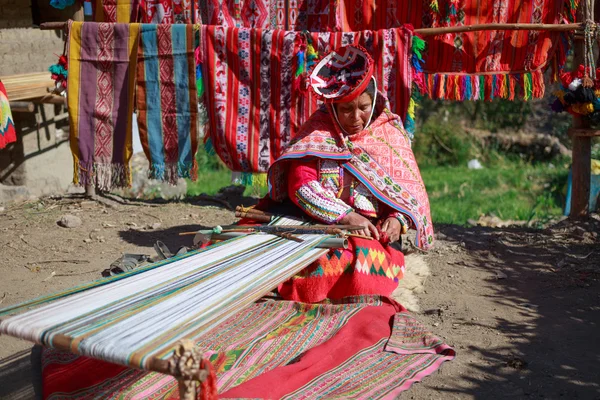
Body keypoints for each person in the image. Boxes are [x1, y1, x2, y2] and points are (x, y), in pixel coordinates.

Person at [266, 45, 434, 303]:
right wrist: (346, 216)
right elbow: (301, 186)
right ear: (332, 108)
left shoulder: (389, 134)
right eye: (346, 110)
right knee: (315, 260)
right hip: (318, 225)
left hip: (371, 235)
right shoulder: (317, 134)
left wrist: (398, 221)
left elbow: (409, 192)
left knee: (365, 262)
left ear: (374, 100)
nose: (356, 117)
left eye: (363, 107)